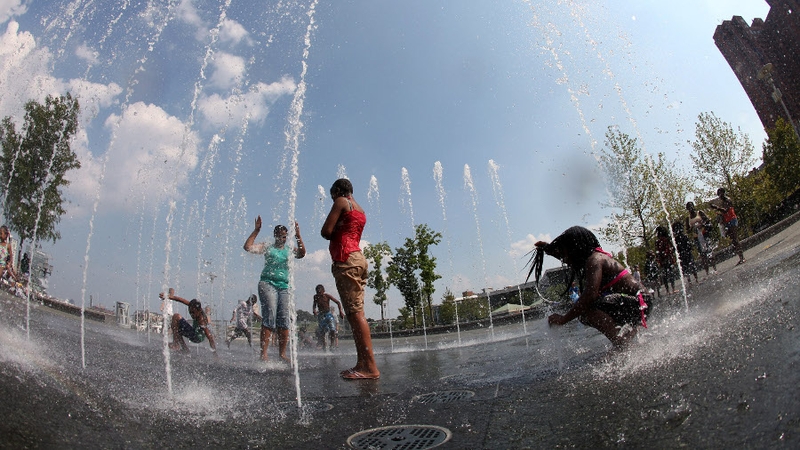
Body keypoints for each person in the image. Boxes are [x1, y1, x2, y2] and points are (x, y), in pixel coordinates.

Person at [525, 226, 652, 348]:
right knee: (584, 311)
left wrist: (563, 319)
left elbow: (590, 296)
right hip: (637, 303)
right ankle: (624, 339)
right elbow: (569, 259)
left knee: (587, 308)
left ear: (576, 250)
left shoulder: (594, 260)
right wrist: (549, 248)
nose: (564, 259)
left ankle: (621, 343)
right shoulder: (593, 258)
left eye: (565, 253)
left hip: (640, 302)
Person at [321, 178, 380, 380]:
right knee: (355, 312)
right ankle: (362, 364)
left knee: (355, 314)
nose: (332, 199)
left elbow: (326, 231)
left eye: (332, 194)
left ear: (338, 191)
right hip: (358, 259)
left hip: (346, 259)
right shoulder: (360, 209)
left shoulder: (340, 202)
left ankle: (370, 368)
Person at [244, 217, 306, 362]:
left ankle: (282, 354)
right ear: (275, 235)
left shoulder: (290, 249)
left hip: (284, 286)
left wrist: (298, 236)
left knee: (284, 319)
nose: (282, 238)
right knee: (270, 315)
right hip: (268, 284)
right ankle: (263, 354)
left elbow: (302, 254)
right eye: (279, 235)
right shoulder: (267, 247)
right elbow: (248, 247)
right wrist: (256, 230)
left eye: (284, 236)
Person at [159, 288, 217, 355]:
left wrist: (215, 354)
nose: (191, 314)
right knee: (177, 328)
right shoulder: (194, 307)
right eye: (190, 312)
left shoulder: (201, 320)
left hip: (197, 336)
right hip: (194, 331)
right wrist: (168, 297)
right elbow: (181, 300)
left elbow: (210, 337)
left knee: (176, 316)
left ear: (198, 311)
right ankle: (185, 349)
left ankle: (176, 344)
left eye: (193, 312)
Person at [710, 188, 745, 265]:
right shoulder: (723, 202)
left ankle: (742, 258)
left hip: (732, 220)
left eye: (720, 193)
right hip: (728, 221)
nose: (719, 196)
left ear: (723, 193)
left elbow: (726, 210)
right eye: (718, 194)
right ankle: (740, 257)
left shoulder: (728, 200)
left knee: (735, 239)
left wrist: (716, 207)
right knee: (733, 240)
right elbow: (724, 213)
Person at [685, 201, 717, 275]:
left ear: (694, 206)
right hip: (696, 238)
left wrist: (701, 224)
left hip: (704, 234)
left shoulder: (699, 213)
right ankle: (707, 272)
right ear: (687, 209)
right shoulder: (688, 218)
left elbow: (707, 220)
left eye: (691, 206)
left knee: (709, 250)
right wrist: (692, 228)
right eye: (689, 207)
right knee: (702, 255)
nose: (691, 208)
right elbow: (687, 230)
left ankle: (715, 268)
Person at [313, 284, 345, 350]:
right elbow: (314, 304)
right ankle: (324, 346)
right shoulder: (315, 297)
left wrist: (341, 312)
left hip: (328, 314)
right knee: (322, 331)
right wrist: (314, 310)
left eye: (320, 292)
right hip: (321, 316)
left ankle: (332, 345)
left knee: (333, 329)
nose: (319, 295)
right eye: (318, 293)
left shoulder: (327, 296)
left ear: (323, 291)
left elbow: (338, 302)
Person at [655, 225, 677, 294]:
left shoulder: (658, 241)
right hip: (668, 259)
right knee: (671, 274)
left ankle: (667, 290)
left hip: (662, 260)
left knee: (665, 275)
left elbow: (657, 252)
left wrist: (659, 260)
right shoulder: (666, 239)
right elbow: (672, 248)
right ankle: (673, 289)